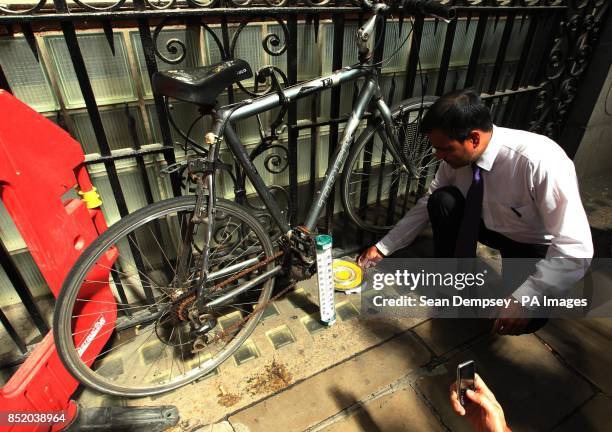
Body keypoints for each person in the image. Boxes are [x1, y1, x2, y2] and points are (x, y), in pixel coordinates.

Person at [357, 89, 593, 335]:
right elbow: (427, 204)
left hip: (528, 241)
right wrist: (383, 247)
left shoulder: (540, 162)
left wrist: (525, 297)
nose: (438, 156)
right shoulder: (456, 159)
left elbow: (576, 248)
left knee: (525, 318)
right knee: (441, 201)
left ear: (474, 139)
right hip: (483, 223)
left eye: (445, 149)